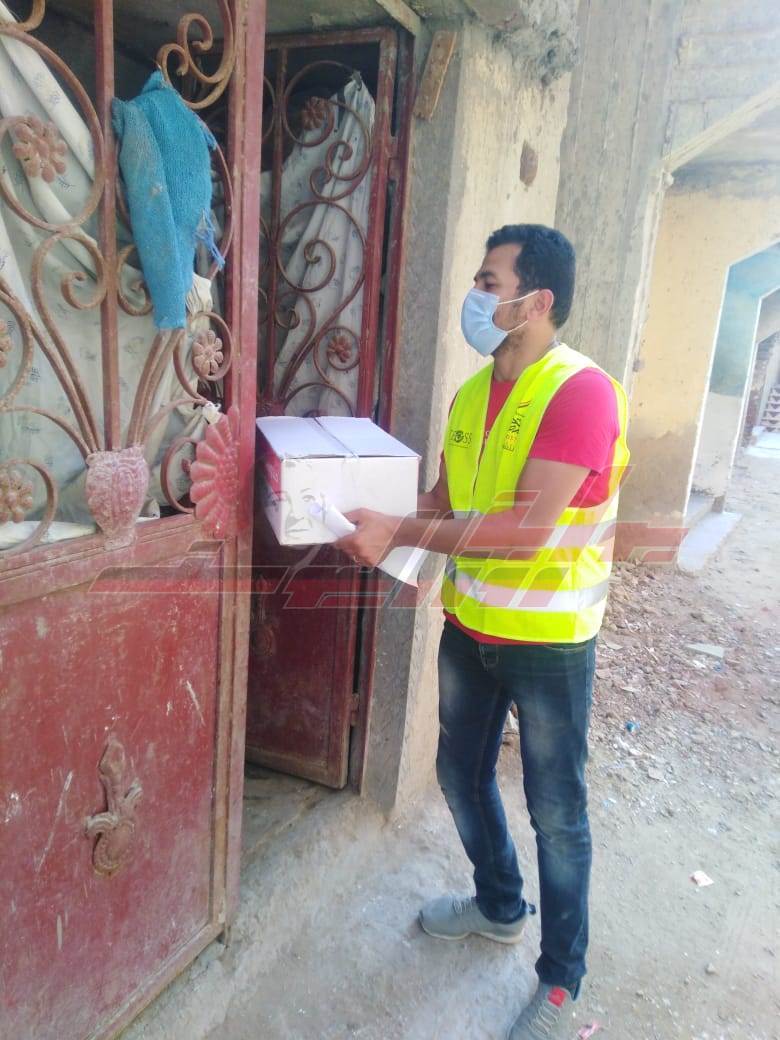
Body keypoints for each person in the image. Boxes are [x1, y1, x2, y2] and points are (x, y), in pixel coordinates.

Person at [336, 224, 629, 1039]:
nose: (474, 294)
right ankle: (499, 906)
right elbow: (442, 503)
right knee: (460, 775)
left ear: (537, 302)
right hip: (470, 627)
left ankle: (560, 983)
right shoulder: (472, 395)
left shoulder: (580, 392)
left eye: (488, 282)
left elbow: (525, 532)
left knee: (556, 811)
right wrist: (356, 519)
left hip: (550, 643)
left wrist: (398, 531)